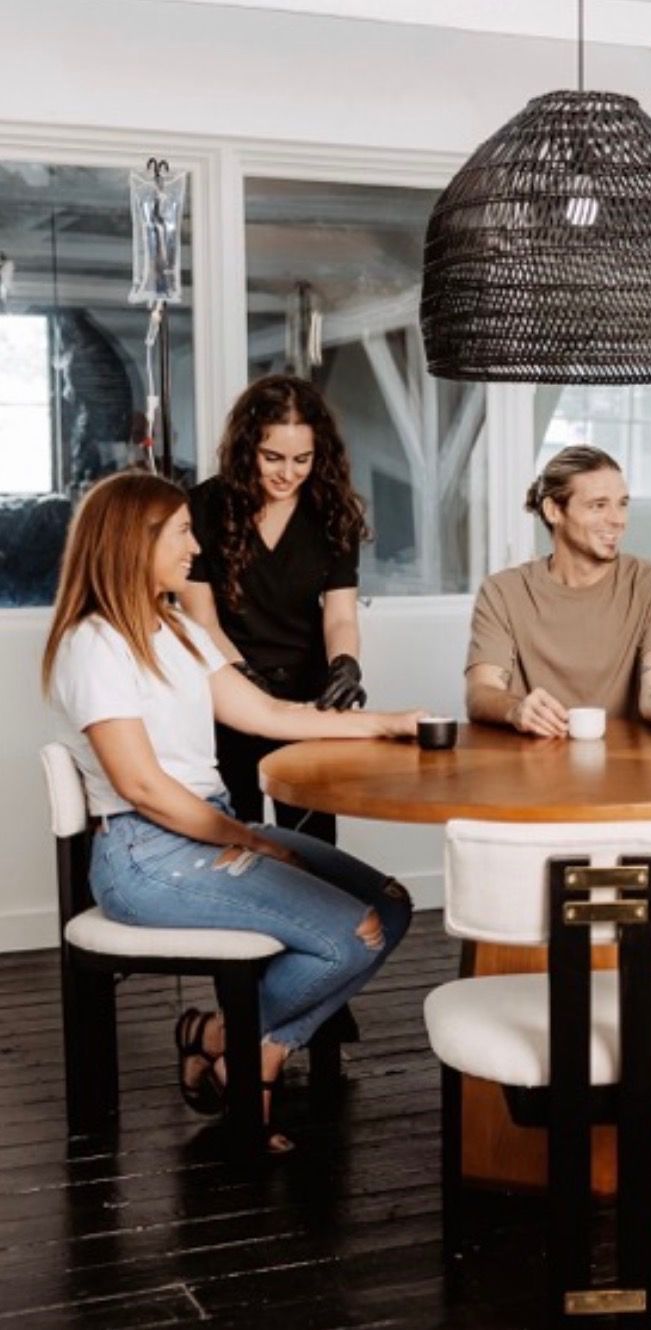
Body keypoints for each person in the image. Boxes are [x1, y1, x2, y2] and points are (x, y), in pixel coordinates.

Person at [43, 471, 428, 1153]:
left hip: (205, 826)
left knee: (390, 905)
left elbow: (267, 714)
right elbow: (143, 787)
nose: (197, 548)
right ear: (136, 541)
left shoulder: (181, 629)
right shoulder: (94, 644)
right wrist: (248, 839)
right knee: (351, 932)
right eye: (183, 532)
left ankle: (232, 1044)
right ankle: (250, 1069)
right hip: (148, 854)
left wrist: (388, 724)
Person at [180, 375, 368, 846]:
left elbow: (340, 614)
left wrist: (345, 662)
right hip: (226, 687)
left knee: (313, 837)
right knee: (235, 835)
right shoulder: (204, 507)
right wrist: (243, 677)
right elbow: (201, 619)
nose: (288, 473)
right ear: (247, 450)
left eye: (302, 459)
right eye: (273, 458)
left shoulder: (333, 513)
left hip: (306, 693)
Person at [465, 445, 651, 738]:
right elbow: (481, 693)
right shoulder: (502, 592)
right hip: (533, 764)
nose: (618, 520)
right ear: (554, 510)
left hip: (626, 769)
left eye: (622, 503)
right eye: (598, 505)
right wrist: (516, 709)